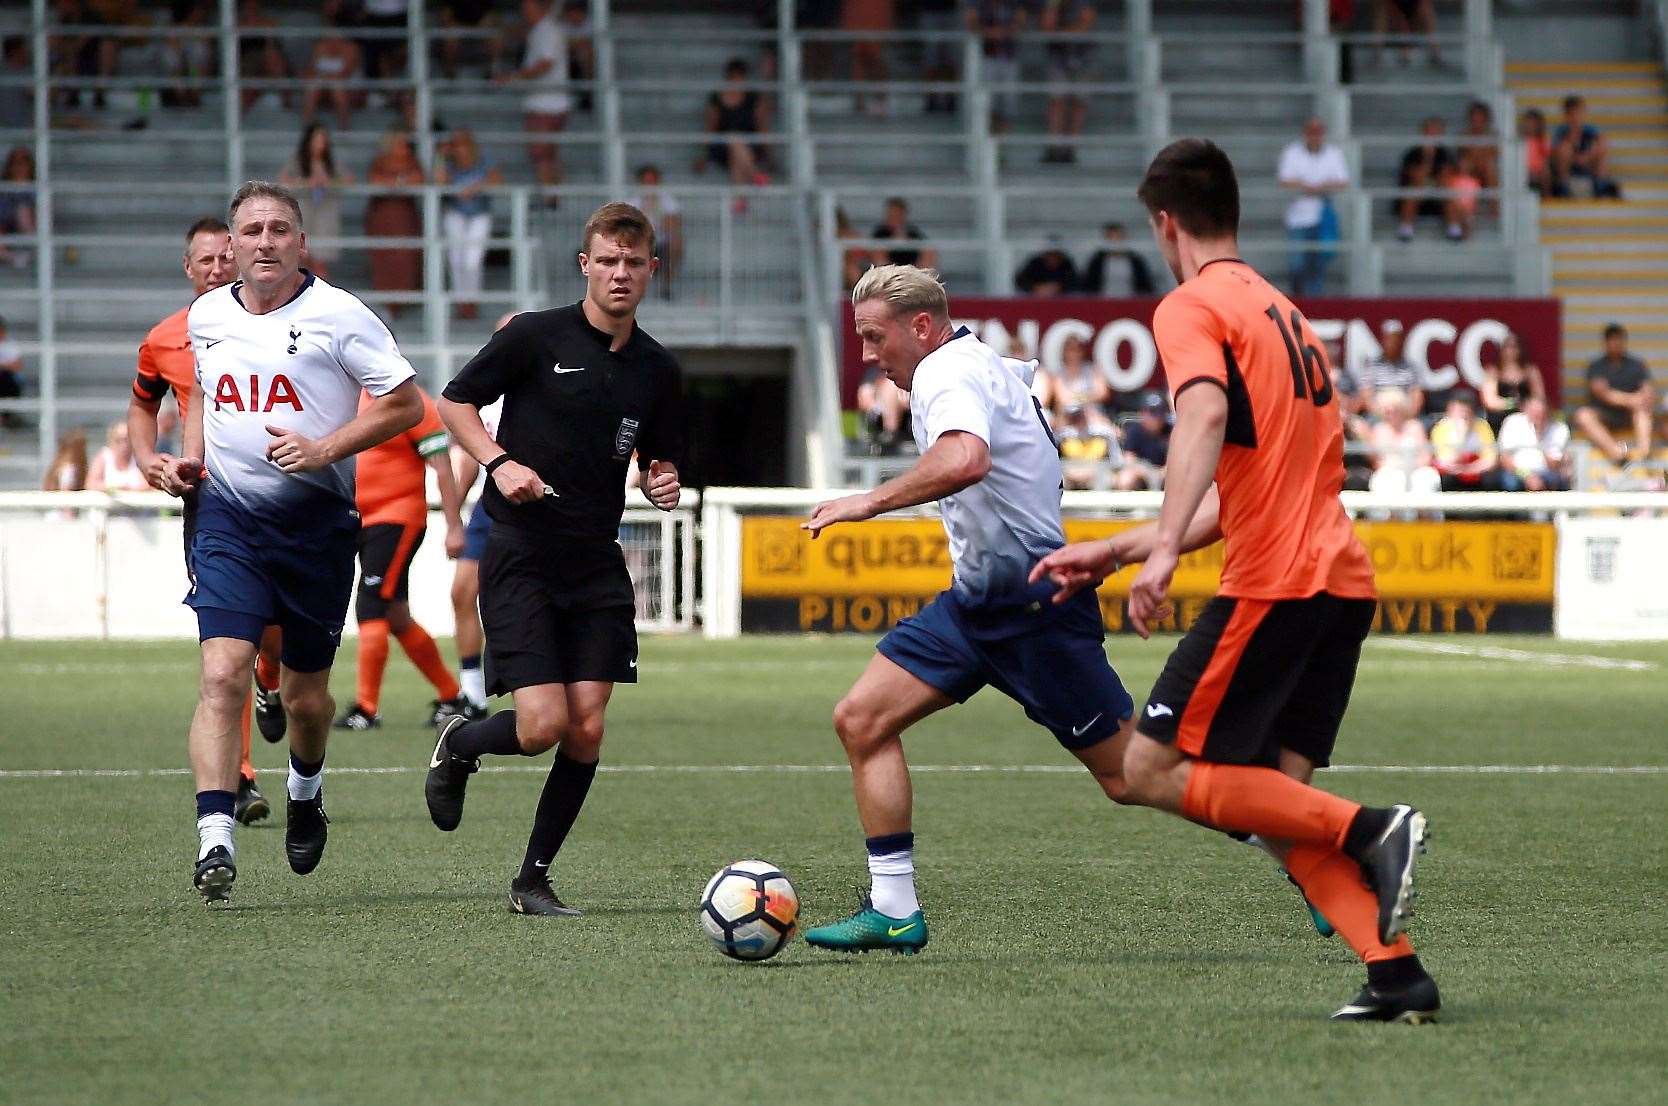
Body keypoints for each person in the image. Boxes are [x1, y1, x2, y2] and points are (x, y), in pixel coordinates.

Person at [1032, 138, 1437, 1023]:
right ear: (1237, 214)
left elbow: (1204, 413)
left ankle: (1374, 829)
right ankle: (1395, 973)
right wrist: (1120, 550)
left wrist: (1168, 550)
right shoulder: (1284, 313)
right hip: (1339, 581)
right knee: (1276, 807)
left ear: (1164, 223)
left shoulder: (1191, 305)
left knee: (1142, 768)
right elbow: (1249, 486)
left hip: (1279, 583)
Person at [796, 263, 1137, 956]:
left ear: (920, 327)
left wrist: (866, 501)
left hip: (1037, 609)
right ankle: (893, 909)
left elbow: (965, 460)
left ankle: (1307, 849)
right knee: (861, 720)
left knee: (1135, 778)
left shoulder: (944, 373)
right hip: (976, 605)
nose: (867, 354)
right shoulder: (970, 361)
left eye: (873, 336)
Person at [157, 182, 423, 904]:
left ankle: (306, 793)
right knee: (222, 674)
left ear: (301, 243)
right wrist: (181, 463)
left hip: (315, 530)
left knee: (307, 699)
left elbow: (405, 402)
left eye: (280, 229)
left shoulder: (340, 314)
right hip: (227, 523)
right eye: (252, 230)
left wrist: (325, 447)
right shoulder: (205, 317)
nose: (265, 241)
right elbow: (203, 401)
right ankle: (215, 836)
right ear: (231, 247)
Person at [427, 202, 686, 917]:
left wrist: (662, 478)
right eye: (608, 261)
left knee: (589, 725)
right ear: (585, 265)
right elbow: (452, 404)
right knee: (541, 727)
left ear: (651, 270)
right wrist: (498, 461)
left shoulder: (657, 368)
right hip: (522, 554)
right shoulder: (535, 336)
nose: (620, 274)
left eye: (634, 263)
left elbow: (656, 457)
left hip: (596, 559)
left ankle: (532, 881)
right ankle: (461, 744)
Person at [128, 217, 281, 826]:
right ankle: (238, 777)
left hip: (290, 499)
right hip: (215, 505)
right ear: (188, 270)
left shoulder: (282, 324)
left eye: (226, 257)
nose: (218, 269)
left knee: (274, 640)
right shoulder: (166, 338)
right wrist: (149, 462)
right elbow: (141, 406)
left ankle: (272, 678)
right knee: (227, 649)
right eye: (206, 261)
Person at [335, 385, 471, 731]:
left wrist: (454, 526)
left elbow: (442, 468)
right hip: (360, 520)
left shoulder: (413, 401)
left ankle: (366, 708)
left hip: (396, 518)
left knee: (371, 605)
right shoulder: (349, 396)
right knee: (396, 615)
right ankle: (451, 695)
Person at [496, 0, 571, 201]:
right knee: (549, 153)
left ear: (535, 7)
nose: (523, 11)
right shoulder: (544, 29)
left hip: (544, 103)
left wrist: (513, 77)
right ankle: (554, 196)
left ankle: (550, 198)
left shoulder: (546, 30)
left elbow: (545, 64)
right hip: (553, 101)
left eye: (525, 7)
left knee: (541, 153)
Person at [435, 128, 503, 320]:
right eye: (456, 145)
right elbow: (439, 183)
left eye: (463, 144)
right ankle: (460, 302)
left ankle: (472, 300)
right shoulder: (448, 164)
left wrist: (475, 188)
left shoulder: (484, 161)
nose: (460, 149)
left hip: (480, 213)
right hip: (454, 212)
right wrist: (441, 156)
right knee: (456, 259)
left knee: (472, 259)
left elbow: (497, 181)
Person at [1277, 118, 1348, 296]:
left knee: (1318, 264)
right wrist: (1313, 187)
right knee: (1297, 264)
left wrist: (1310, 187)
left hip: (1322, 217)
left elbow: (1342, 182)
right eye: (1311, 132)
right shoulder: (1292, 153)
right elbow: (1284, 181)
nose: (1315, 136)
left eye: (1318, 132)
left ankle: (1314, 302)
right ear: (1305, 134)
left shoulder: (1334, 153)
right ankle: (1299, 298)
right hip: (1298, 218)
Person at [1573, 322, 1657, 463]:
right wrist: (1632, 399)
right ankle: (1618, 455)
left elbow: (1647, 391)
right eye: (1612, 340)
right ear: (1605, 342)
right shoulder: (1596, 366)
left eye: (1619, 339)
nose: (1616, 343)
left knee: (1644, 411)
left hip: (1630, 415)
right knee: (1583, 415)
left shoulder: (1636, 365)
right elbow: (1603, 394)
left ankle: (1644, 455)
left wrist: (1641, 399)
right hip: (1604, 414)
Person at [365, 130, 425, 317]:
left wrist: (396, 183)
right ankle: (388, 303)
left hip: (405, 218)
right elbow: (375, 181)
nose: (403, 148)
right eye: (399, 143)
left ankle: (402, 301)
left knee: (405, 257)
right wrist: (399, 183)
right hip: (383, 217)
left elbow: (418, 180)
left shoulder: (413, 162)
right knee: (385, 258)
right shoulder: (380, 162)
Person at [280, 124, 351, 279]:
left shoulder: (331, 163)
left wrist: (329, 182)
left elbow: (348, 179)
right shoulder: (298, 161)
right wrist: (306, 182)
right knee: (302, 260)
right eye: (316, 140)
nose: (319, 144)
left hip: (325, 215)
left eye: (322, 140)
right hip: (304, 213)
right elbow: (284, 181)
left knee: (320, 262)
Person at [702, 58, 771, 193]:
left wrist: (768, 154)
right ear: (728, 78)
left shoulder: (754, 99)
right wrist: (704, 156)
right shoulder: (716, 99)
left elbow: (762, 126)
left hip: (750, 147)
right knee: (734, 138)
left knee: (737, 154)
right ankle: (755, 175)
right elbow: (710, 128)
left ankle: (740, 199)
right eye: (733, 78)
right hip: (722, 147)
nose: (736, 81)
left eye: (740, 78)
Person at [1039, 0, 1095, 163]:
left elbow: (1086, 24)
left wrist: (1061, 33)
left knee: (1079, 103)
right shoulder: (1052, 4)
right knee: (1056, 101)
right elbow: (1046, 27)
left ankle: (1071, 148)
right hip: (1058, 60)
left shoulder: (1084, 4)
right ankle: (1054, 146)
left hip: (1082, 60)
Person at [1364, 389, 1440, 495]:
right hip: (1389, 471)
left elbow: (1426, 455)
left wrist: (1411, 467)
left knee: (1427, 478)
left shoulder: (1415, 426)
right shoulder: (1379, 429)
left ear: (1402, 410)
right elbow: (1376, 460)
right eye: (1387, 411)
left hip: (1417, 469)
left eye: (1394, 410)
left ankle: (1423, 511)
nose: (1390, 413)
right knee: (1387, 481)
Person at [965, 0, 1025, 134]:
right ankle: (988, 134)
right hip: (986, 56)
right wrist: (988, 32)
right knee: (987, 99)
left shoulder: (1014, 4)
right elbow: (970, 23)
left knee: (1008, 99)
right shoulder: (978, 4)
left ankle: (1003, 137)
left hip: (1009, 56)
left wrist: (1004, 32)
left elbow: (1021, 22)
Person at [1395, 116, 1458, 242]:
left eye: (1435, 131)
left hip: (1438, 197)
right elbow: (1416, 178)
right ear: (1423, 132)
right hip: (1418, 196)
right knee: (1414, 191)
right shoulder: (1412, 153)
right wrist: (1428, 158)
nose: (1432, 135)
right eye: (1429, 131)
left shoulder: (1445, 154)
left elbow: (1446, 178)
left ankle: (1454, 229)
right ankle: (1406, 229)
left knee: (1448, 192)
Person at [300, 12, 363, 131]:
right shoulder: (320, 47)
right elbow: (310, 70)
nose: (332, 37)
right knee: (313, 85)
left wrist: (323, 77)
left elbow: (345, 74)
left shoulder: (352, 49)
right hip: (324, 87)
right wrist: (315, 76)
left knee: (337, 86)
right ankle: (307, 126)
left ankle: (344, 126)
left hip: (350, 90)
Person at [628, 164, 682, 301]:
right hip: (641, 244)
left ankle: (666, 286)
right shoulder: (632, 202)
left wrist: (655, 212)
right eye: (646, 182)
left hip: (662, 243)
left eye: (653, 182)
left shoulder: (667, 200)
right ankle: (637, 288)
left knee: (677, 242)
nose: (650, 187)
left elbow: (674, 225)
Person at [1552, 95, 1620, 200]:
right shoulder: (1561, 131)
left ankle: (1600, 186)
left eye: (1578, 113)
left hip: (1588, 165)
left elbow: (1601, 144)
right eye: (1572, 113)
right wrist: (1575, 158)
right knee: (1564, 149)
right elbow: (1557, 152)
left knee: (1602, 144)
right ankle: (1563, 187)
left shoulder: (1590, 130)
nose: (1575, 117)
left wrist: (1586, 157)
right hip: (1568, 167)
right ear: (1566, 115)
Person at [1498, 397, 1571, 492]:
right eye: (1535, 413)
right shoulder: (1512, 422)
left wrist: (1540, 435)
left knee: (1555, 479)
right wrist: (1527, 476)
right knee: (1510, 482)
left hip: (1547, 472)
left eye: (1541, 414)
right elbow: (1504, 458)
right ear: (1526, 411)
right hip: (1517, 472)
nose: (1538, 417)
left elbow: (1553, 465)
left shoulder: (1559, 429)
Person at [1429, 393, 1500, 490]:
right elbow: (1445, 461)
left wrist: (1469, 470)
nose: (1462, 416)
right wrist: (1461, 436)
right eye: (1457, 412)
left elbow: (1491, 460)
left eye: (1465, 412)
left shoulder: (1482, 426)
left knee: (1491, 479)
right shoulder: (1441, 428)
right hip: (1452, 471)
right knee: (1445, 479)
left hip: (1476, 469)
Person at [1478, 331, 1545, 434]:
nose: (1511, 351)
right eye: (1507, 347)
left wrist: (1528, 407)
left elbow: (1539, 396)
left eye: (1515, 347)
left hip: (1527, 416)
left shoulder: (1531, 371)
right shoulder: (1493, 371)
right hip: (1499, 418)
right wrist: (1512, 404)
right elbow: (1489, 400)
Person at [1048, 333, 1113, 435]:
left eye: (1077, 349)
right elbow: (1063, 399)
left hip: (1093, 414)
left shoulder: (1092, 369)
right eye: (1070, 349)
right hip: (1068, 417)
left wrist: (1081, 400)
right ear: (1064, 352)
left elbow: (1103, 393)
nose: (1074, 353)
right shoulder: (1059, 374)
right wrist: (1087, 397)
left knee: (1109, 431)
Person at [1357, 318, 1421, 415]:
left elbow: (1416, 395)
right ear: (1383, 340)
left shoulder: (1410, 367)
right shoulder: (1372, 365)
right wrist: (1379, 415)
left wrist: (1408, 416)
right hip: (1378, 415)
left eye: (1396, 339)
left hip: (1403, 414)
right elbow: (1366, 394)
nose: (1392, 343)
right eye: (1389, 339)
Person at [1114, 390, 1169, 490]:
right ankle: (1127, 506)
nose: (1157, 416)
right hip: (1141, 472)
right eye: (1152, 412)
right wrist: (1148, 473)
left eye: (1161, 411)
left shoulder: (1171, 431)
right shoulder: (1135, 430)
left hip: (1164, 474)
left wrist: (1160, 474)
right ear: (1143, 413)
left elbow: (1174, 461)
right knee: (1125, 479)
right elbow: (1129, 460)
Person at [1081, 222, 1155, 296]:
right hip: (1103, 301)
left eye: (1119, 237)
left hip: (1130, 301)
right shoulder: (1097, 260)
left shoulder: (1136, 260)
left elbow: (1145, 284)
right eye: (1111, 237)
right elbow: (1089, 284)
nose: (1115, 240)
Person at [1057, 403, 1118, 489]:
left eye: (1079, 416)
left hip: (1099, 474)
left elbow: (1115, 462)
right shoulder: (1062, 436)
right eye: (1073, 417)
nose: (1077, 419)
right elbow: (1054, 462)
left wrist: (1093, 472)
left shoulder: (1104, 434)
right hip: (1070, 475)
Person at [871, 197, 937, 270]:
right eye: (892, 213)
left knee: (929, 251)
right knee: (877, 251)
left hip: (911, 267)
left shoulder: (912, 231)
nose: (895, 217)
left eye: (898, 213)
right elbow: (876, 254)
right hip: (889, 269)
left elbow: (924, 246)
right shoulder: (880, 232)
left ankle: (920, 277)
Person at [855, 364, 908, 454]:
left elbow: (905, 400)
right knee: (889, 387)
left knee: (891, 386)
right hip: (879, 414)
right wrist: (876, 407)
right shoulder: (874, 372)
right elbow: (864, 396)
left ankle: (890, 434)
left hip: (905, 417)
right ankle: (889, 435)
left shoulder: (910, 371)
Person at [0, 146, 37, 269]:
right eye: (15, 162)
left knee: (23, 210)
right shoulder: (3, 189)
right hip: (4, 230)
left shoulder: (38, 190)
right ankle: (12, 257)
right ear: (9, 166)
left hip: (27, 231)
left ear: (30, 165)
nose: (19, 166)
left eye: (24, 161)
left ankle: (32, 250)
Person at [86, 420, 149, 492]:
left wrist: (128, 489)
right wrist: (114, 488)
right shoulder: (104, 457)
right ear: (111, 440)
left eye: (127, 439)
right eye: (119, 440)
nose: (124, 444)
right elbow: (90, 484)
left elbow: (148, 485)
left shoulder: (139, 459)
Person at [1013, 236, 1079, 296]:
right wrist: (1036, 287)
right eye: (1050, 254)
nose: (1052, 257)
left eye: (1055, 254)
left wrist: (1059, 287)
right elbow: (1020, 281)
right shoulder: (1035, 264)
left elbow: (1075, 283)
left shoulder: (1067, 264)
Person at [1519, 108, 1552, 198]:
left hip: (1539, 171)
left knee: (1546, 171)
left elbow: (1546, 158)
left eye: (1533, 123)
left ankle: (1547, 197)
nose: (1530, 126)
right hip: (1523, 170)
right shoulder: (1519, 141)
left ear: (1539, 125)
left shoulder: (1543, 140)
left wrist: (1537, 172)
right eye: (1528, 123)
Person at [0, 314, 22, 424]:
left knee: (6, 377)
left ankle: (5, 416)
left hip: (6, 381)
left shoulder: (10, 345)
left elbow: (17, 367)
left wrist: (2, 367)